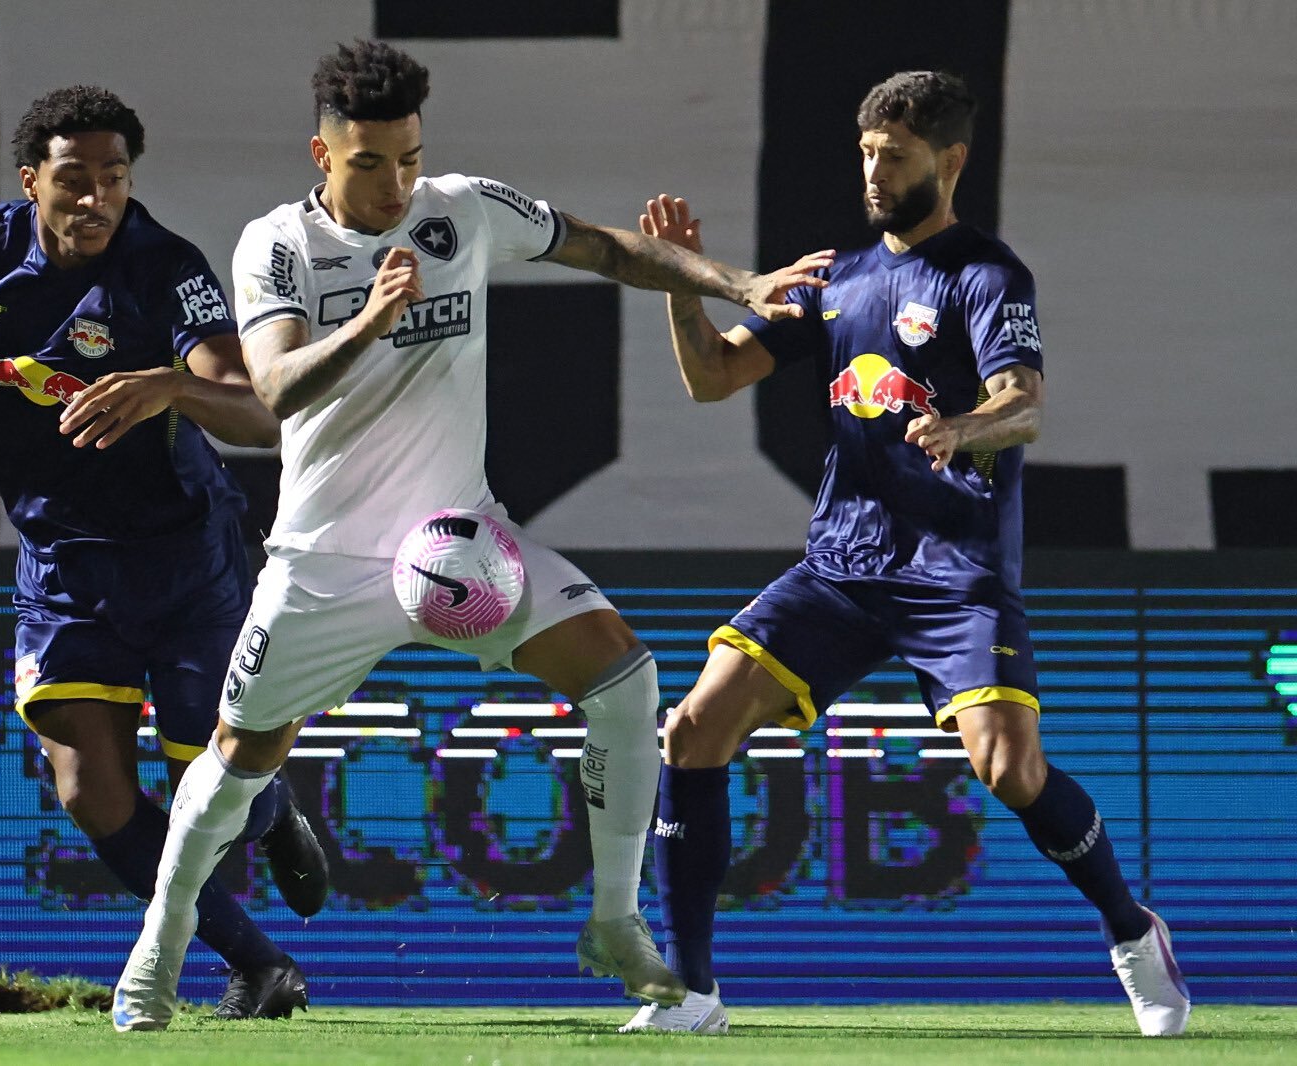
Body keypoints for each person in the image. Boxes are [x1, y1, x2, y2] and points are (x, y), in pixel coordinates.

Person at [109, 39, 821, 1032]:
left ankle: (614, 919)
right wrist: (367, 321)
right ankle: (160, 944)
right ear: (322, 156)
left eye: (407, 156)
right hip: (325, 561)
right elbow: (268, 390)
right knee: (239, 755)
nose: (396, 182)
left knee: (624, 675)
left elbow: (608, 248)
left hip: (461, 542)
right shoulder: (276, 245)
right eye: (369, 162)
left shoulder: (462, 208)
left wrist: (736, 282)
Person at [621, 71, 1190, 1037]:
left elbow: (1026, 406)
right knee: (692, 730)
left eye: (897, 156)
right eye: (868, 155)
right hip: (841, 568)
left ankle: (1133, 930)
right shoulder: (838, 279)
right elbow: (714, 378)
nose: (876, 174)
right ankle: (693, 992)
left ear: (952, 161)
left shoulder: (986, 275)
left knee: (1010, 773)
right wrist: (683, 286)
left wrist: (961, 427)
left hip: (955, 575)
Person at [0, 85, 329, 1020]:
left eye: (113, 179)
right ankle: (257, 962)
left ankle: (274, 807)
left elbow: (257, 411)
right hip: (63, 569)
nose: (95, 200)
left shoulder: (164, 266)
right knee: (89, 791)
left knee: (214, 778)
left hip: (184, 560)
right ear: (29, 179)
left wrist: (166, 385)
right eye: (73, 180)